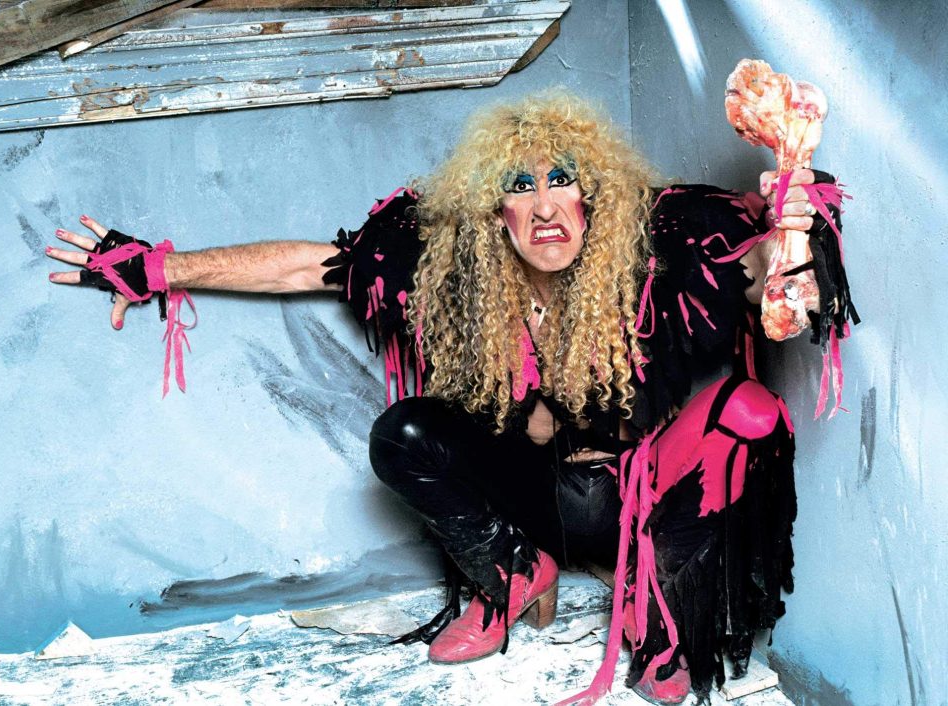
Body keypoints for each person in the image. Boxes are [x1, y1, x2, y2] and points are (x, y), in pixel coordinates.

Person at [46, 92, 854, 705]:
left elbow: (761, 276)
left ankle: (662, 612)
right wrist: (160, 268)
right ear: (494, 211)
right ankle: (513, 574)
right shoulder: (450, 271)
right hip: (527, 496)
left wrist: (796, 236)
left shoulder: (658, 254)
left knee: (750, 410)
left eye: (562, 180)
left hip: (637, 498)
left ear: (594, 197)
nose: (544, 204)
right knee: (403, 432)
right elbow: (305, 266)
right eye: (519, 186)